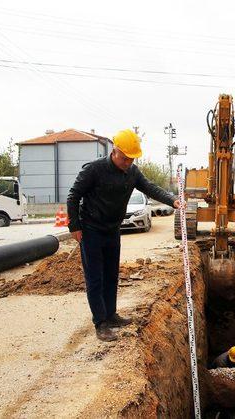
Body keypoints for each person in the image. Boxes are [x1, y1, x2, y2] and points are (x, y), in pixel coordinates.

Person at [67, 129, 181, 342]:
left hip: (112, 230)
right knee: (95, 278)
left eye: (131, 159)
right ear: (114, 150)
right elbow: (73, 195)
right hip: (91, 230)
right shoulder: (94, 170)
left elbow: (150, 188)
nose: (128, 162)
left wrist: (172, 200)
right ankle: (100, 323)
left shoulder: (132, 172)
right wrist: (74, 226)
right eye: (125, 158)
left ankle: (111, 315)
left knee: (111, 275)